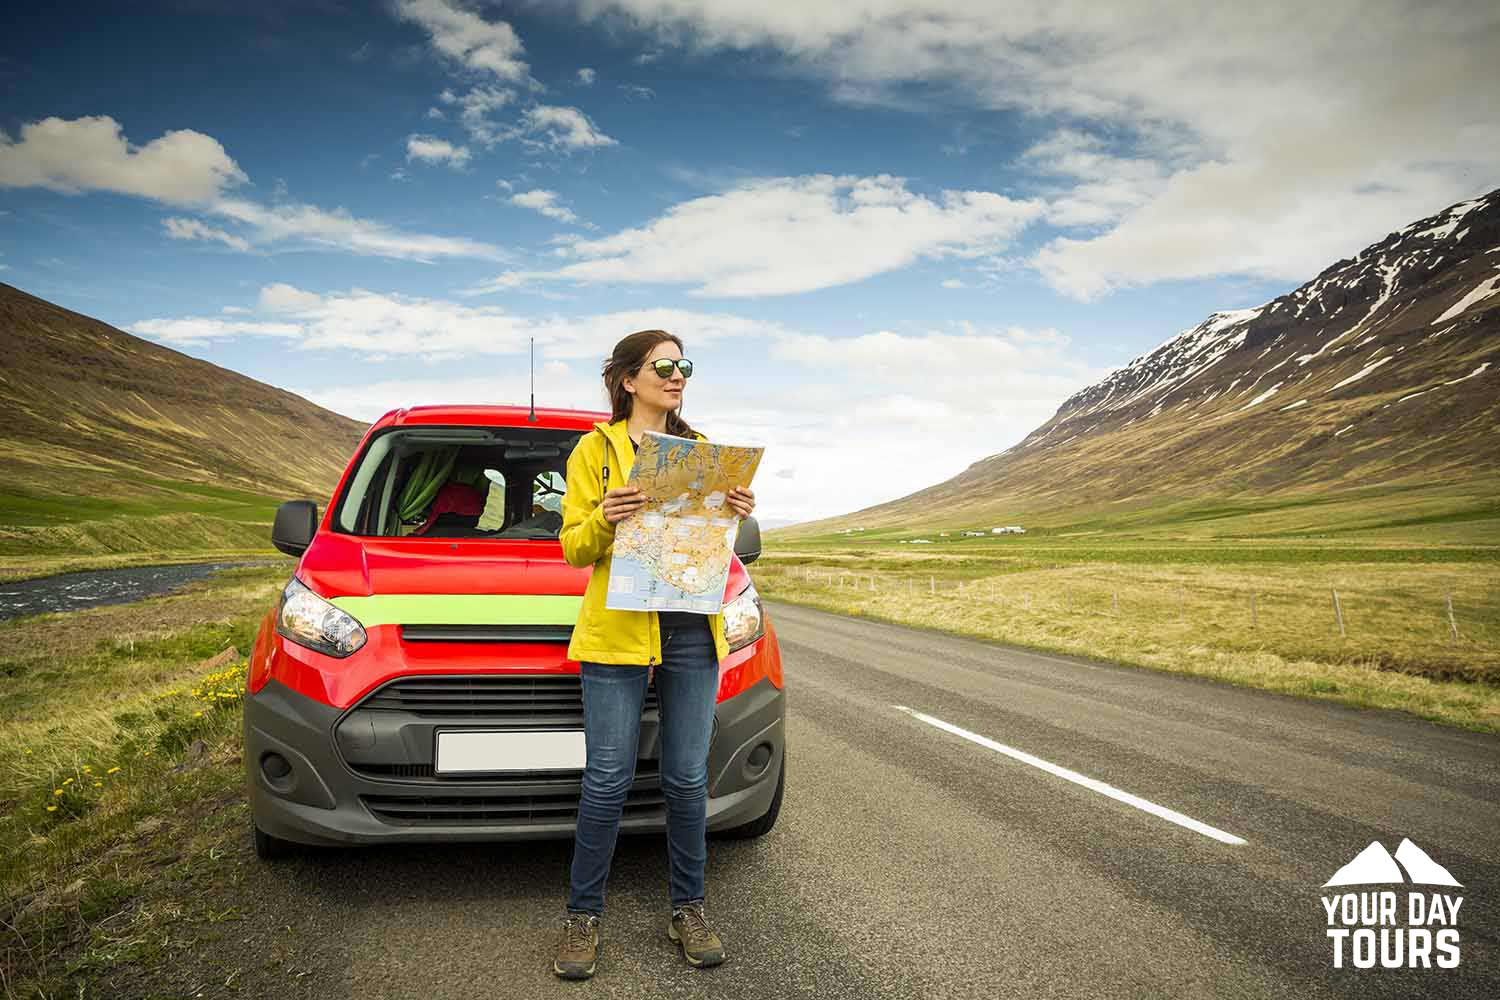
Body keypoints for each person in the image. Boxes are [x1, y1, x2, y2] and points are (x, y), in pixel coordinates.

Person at [553, 329, 755, 980]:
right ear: (628, 380)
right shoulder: (595, 451)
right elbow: (574, 548)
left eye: (682, 365)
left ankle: (688, 910)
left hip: (691, 629)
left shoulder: (698, 453)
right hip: (616, 630)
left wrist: (736, 514)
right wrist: (604, 519)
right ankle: (583, 920)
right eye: (662, 365)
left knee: (687, 778)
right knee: (608, 780)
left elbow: (710, 548)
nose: (676, 375)